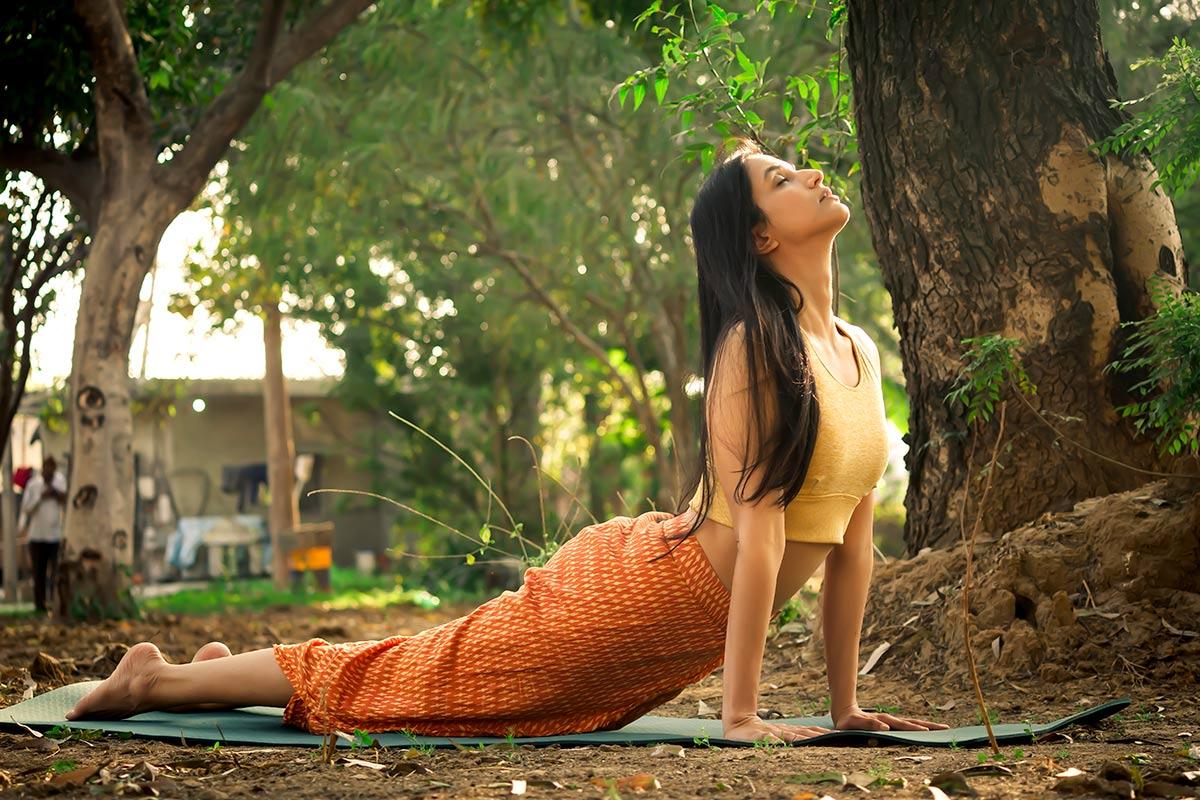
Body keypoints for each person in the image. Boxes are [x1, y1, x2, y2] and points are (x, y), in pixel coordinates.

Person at [66, 141, 947, 744]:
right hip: (631, 605)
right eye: (785, 178)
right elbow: (759, 539)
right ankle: (158, 680)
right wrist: (740, 714)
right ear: (761, 236)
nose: (813, 175)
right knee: (424, 685)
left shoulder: (859, 353)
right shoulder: (755, 347)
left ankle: (225, 673)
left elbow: (851, 546)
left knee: (425, 679)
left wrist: (847, 707)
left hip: (666, 627)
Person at [18, 455, 67, 613]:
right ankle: (39, 605)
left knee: (55, 572)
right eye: (47, 468)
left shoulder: (60, 481)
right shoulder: (34, 485)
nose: (49, 471)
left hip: (55, 535)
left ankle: (54, 602)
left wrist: (55, 493)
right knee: (39, 572)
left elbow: (66, 500)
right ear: (43, 468)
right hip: (37, 536)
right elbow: (26, 508)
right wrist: (41, 497)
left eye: (52, 468)